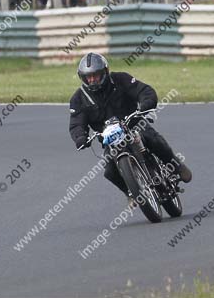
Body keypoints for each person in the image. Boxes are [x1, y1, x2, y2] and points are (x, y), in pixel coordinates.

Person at [68, 53, 192, 202]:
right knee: (109, 172)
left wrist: (146, 103)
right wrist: (80, 137)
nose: (92, 80)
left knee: (154, 140)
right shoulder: (78, 99)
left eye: (96, 75)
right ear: (83, 77)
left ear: (105, 72)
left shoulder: (120, 79)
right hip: (110, 139)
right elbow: (76, 123)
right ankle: (130, 192)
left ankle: (176, 164)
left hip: (134, 125)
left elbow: (144, 91)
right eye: (88, 77)